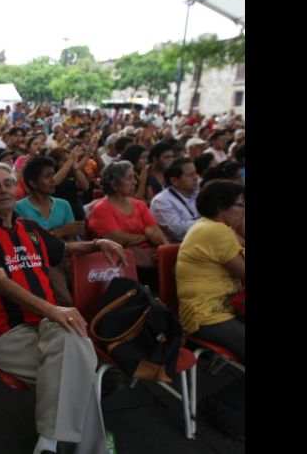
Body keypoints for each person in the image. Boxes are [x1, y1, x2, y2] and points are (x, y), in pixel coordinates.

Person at [0, 163, 127, 454]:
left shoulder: (29, 227)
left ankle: (47, 443)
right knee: (81, 369)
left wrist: (98, 243)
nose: (3, 191)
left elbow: (64, 250)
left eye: (7, 184)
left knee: (71, 347)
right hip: (6, 332)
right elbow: (0, 282)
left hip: (47, 326)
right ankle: (88, 449)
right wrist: (53, 310)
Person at [176, 179, 245, 439]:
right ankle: (220, 406)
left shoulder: (214, 227)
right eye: (241, 205)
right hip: (207, 315)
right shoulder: (216, 231)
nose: (244, 211)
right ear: (221, 207)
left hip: (223, 309)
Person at [88, 161, 168, 289]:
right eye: (129, 178)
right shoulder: (101, 209)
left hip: (149, 257)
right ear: (114, 184)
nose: (135, 182)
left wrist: (164, 250)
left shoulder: (139, 204)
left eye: (134, 178)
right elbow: (118, 239)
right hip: (121, 263)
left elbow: (154, 231)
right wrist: (146, 236)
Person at [149, 158, 200, 243]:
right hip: (181, 247)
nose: (196, 178)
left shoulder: (198, 194)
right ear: (174, 181)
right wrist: (210, 222)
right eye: (190, 175)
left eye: (195, 173)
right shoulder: (161, 201)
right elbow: (179, 231)